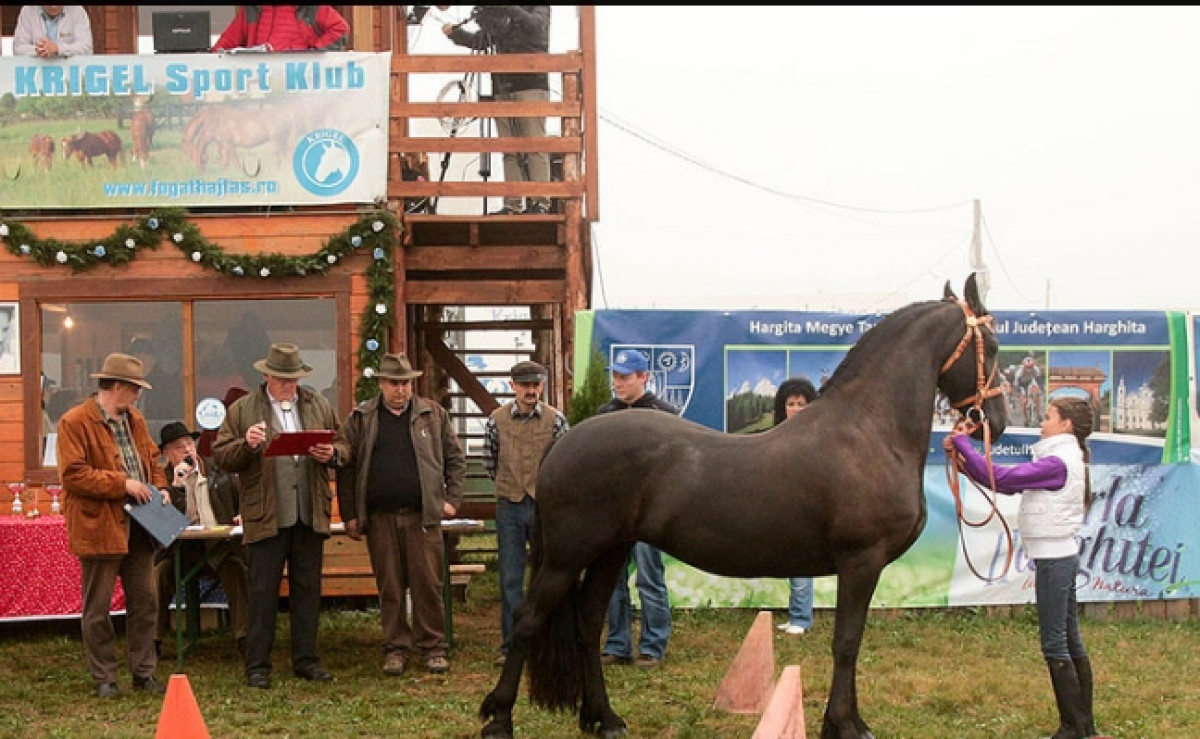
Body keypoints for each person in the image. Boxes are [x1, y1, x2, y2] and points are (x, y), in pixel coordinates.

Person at [945, 396, 1102, 739]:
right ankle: (1083, 728)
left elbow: (1002, 478)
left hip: (1054, 560)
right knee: (1069, 642)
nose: (1042, 423)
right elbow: (999, 480)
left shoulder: (1058, 462)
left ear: (1066, 426)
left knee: (1055, 644)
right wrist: (965, 461)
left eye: (1049, 417)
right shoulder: (1065, 458)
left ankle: (1073, 728)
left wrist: (960, 442)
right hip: (1059, 556)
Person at [212, 342, 340, 689]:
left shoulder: (318, 405)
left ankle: (306, 660)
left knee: (307, 590)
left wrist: (331, 453)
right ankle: (257, 665)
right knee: (262, 592)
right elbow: (220, 454)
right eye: (282, 378)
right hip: (266, 513)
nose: (288, 385)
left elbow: (344, 445)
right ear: (266, 375)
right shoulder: (243, 410)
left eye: (293, 378)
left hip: (309, 511)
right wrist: (247, 445)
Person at [332, 353, 466, 676]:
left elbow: (456, 459)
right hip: (380, 518)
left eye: (405, 383)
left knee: (427, 585)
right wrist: (350, 514)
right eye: (394, 383)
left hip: (423, 517)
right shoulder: (361, 418)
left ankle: (433, 647)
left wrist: (451, 501)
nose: (401, 389)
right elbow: (346, 466)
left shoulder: (434, 415)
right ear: (381, 383)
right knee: (389, 587)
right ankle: (395, 648)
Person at [55, 352, 168, 698]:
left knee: (146, 600)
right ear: (116, 386)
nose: (137, 396)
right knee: (98, 606)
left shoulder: (136, 420)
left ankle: (143, 672)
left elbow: (153, 458)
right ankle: (105, 677)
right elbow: (74, 475)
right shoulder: (74, 422)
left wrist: (160, 487)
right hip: (98, 526)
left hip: (141, 525)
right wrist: (122, 484)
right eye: (134, 389)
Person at [481, 359, 569, 666]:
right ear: (512, 387)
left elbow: (564, 463)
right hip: (509, 505)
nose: (530, 391)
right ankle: (511, 646)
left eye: (535, 385)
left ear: (542, 386)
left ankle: (546, 643)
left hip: (545, 507)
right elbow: (490, 462)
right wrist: (510, 486)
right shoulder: (496, 420)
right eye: (525, 385)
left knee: (548, 576)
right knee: (510, 578)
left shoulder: (557, 421)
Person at [599, 348, 678, 669]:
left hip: (648, 517)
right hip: (613, 517)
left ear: (644, 377)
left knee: (649, 578)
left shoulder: (665, 415)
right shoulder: (604, 415)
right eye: (615, 376)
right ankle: (617, 645)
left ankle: (652, 647)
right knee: (612, 580)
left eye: (625, 377)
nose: (618, 382)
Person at [442, 6, 553, 216]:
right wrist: (456, 34)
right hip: (502, 84)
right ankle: (513, 203)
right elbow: (483, 41)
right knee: (508, 148)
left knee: (534, 144)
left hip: (530, 83)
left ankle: (540, 202)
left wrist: (503, 8)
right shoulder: (507, 14)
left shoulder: (537, 8)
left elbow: (535, 26)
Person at [153, 421, 249, 659]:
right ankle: (152, 641)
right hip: (180, 551)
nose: (187, 451)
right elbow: (166, 526)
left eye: (189, 444)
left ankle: (245, 638)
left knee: (236, 569)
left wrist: (242, 515)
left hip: (220, 546)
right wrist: (177, 487)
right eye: (178, 447)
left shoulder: (220, 471)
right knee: (159, 574)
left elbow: (244, 498)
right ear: (166, 454)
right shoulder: (162, 482)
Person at [772, 377, 817, 636]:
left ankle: (801, 619)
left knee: (801, 565)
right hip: (783, 508)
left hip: (806, 511)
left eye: (802, 404)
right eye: (791, 404)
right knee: (792, 565)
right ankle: (795, 616)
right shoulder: (775, 435)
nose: (797, 409)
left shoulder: (817, 438)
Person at [211, 5, 349, 52]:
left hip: (300, 87)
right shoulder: (251, 10)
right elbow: (223, 45)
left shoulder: (311, 7)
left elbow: (340, 29)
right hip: (261, 85)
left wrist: (313, 53)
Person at [13, 5, 93, 58]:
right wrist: (42, 50)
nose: (53, 7)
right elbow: (18, 48)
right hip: (36, 74)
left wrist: (58, 49)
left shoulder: (78, 11)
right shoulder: (27, 10)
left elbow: (86, 48)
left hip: (70, 75)